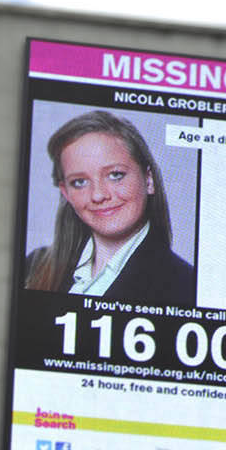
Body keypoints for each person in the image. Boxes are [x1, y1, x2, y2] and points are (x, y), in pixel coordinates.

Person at [23, 109, 195, 304]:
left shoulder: (186, 286)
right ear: (66, 193)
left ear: (148, 180)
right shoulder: (35, 266)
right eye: (79, 182)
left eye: (115, 175)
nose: (98, 195)